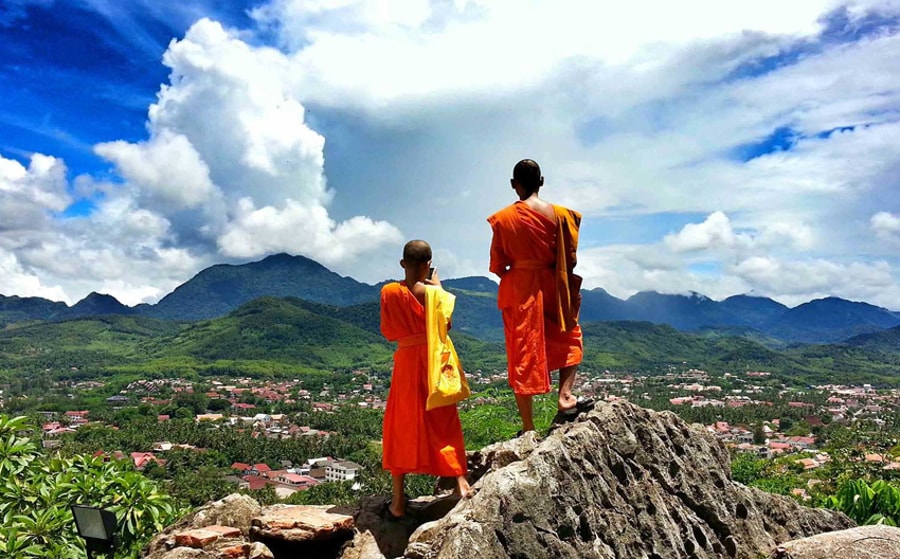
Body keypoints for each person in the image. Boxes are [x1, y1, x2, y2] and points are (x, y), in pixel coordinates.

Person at [487, 159, 592, 434]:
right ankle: (566, 397)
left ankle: (528, 426)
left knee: (522, 353)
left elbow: (498, 265)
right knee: (569, 335)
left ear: (513, 185)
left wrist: (522, 272)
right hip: (554, 285)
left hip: (519, 290)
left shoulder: (503, 219)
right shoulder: (562, 216)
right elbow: (570, 258)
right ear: (542, 181)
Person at [380, 240, 470, 519]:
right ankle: (461, 483)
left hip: (406, 362)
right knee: (443, 419)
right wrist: (437, 287)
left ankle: (397, 502)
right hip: (434, 361)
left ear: (402, 263)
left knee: (402, 423)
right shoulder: (434, 294)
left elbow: (388, 330)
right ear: (428, 264)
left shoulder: (389, 292)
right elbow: (446, 324)